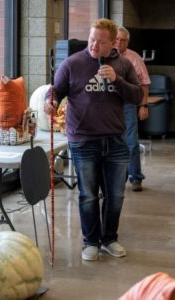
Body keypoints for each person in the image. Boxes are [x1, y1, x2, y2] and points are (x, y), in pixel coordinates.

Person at [44, 18, 143, 261]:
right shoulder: (73, 63)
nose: (94, 46)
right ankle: (90, 242)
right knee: (88, 194)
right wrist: (51, 100)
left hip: (116, 141)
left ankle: (110, 238)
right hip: (83, 140)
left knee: (116, 195)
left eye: (101, 42)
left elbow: (137, 95)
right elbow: (56, 89)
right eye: (91, 40)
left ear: (113, 44)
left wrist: (116, 81)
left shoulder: (123, 64)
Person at [115, 26, 151, 192]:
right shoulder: (105, 56)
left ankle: (136, 177)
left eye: (123, 40)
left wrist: (143, 105)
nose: (119, 43)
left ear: (127, 42)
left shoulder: (134, 58)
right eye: (117, 39)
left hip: (129, 103)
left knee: (131, 141)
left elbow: (144, 84)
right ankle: (116, 178)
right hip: (108, 104)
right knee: (112, 143)